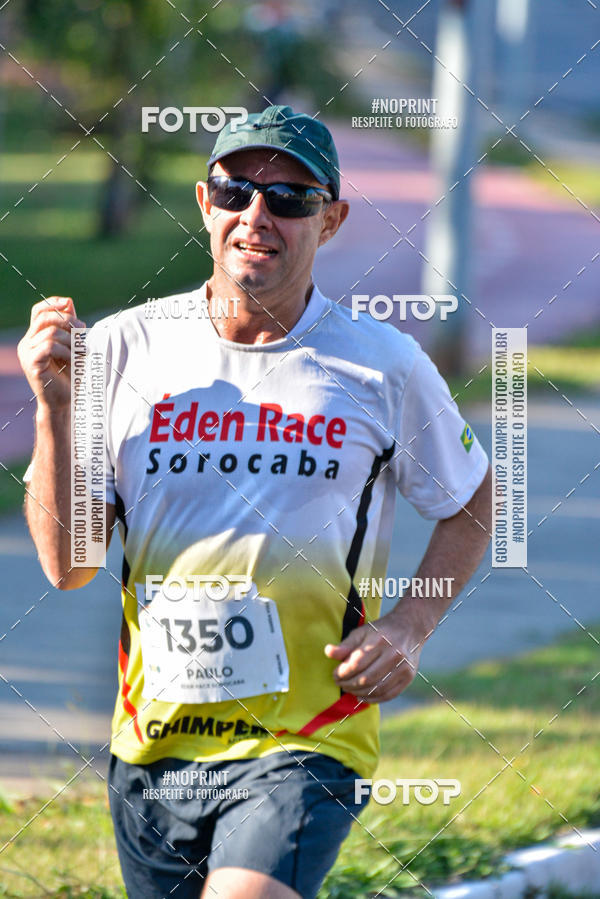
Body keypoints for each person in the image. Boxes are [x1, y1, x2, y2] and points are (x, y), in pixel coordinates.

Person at [18, 105, 492, 899]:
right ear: (205, 203)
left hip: (307, 741)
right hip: (156, 747)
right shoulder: (126, 348)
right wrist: (54, 410)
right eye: (236, 191)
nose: (257, 216)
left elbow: (472, 495)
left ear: (331, 220)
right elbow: (70, 566)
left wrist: (411, 624)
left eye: (291, 199)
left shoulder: (384, 364)